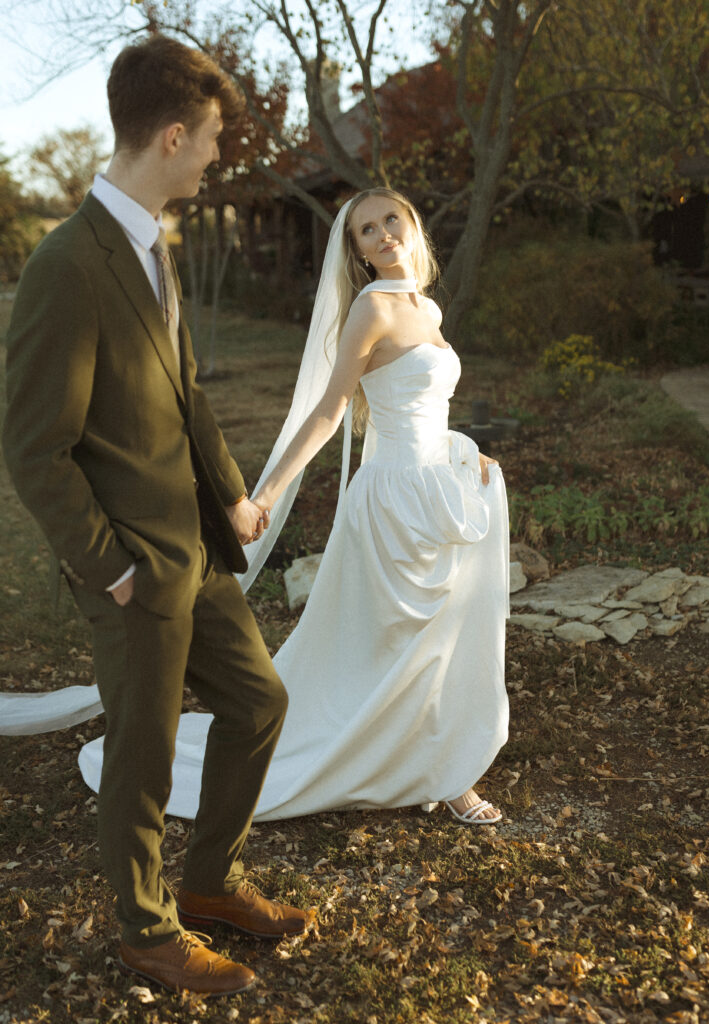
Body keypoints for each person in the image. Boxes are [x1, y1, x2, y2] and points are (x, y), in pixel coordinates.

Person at [2, 35, 312, 997]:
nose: (217, 156)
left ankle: (210, 887)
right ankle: (147, 931)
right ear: (172, 135)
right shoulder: (67, 264)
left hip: (197, 550)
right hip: (134, 566)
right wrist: (112, 568)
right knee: (142, 752)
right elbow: (32, 446)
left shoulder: (150, 244)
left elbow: (185, 395)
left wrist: (229, 491)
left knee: (259, 702)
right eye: (212, 137)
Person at [79, 186, 511, 825]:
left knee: (439, 637)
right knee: (399, 639)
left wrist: (462, 449)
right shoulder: (372, 310)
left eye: (392, 219)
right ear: (359, 252)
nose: (385, 233)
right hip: (392, 498)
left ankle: (441, 769)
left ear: (413, 225)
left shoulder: (426, 308)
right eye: (368, 230)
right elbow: (332, 411)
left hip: (434, 486)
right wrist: (262, 497)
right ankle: (420, 769)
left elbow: (420, 407)